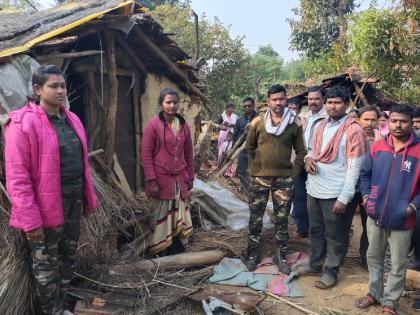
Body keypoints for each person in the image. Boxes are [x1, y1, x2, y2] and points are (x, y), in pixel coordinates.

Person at [4, 64, 97, 315]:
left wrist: (86, 198)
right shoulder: (22, 123)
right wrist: (30, 221)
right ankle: (51, 311)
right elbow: (17, 178)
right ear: (37, 89)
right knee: (45, 265)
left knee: (67, 257)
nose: (60, 91)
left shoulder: (72, 119)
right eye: (53, 86)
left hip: (73, 201)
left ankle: (62, 305)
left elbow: (82, 164)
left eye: (63, 86)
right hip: (43, 209)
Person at [298, 86, 366, 289]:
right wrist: (307, 159)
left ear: (346, 105)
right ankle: (315, 263)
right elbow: (311, 150)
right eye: (329, 102)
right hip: (314, 188)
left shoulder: (354, 130)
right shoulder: (320, 126)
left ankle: (331, 270)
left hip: (336, 192)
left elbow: (355, 167)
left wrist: (344, 198)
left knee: (336, 234)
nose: (332, 106)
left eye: (337, 103)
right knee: (316, 230)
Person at [356, 104, 419, 315]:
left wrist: (412, 207)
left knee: (398, 264)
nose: (398, 125)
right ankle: (374, 293)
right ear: (388, 122)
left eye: (403, 121)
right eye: (394, 121)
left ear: (411, 123)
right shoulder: (377, 146)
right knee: (373, 257)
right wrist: (366, 197)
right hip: (375, 215)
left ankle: (390, 301)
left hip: (403, 219)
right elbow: (365, 174)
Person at [245, 84, 306, 273]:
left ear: (286, 99)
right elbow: (249, 148)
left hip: (284, 179)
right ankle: (252, 254)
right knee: (255, 218)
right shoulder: (257, 123)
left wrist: (293, 174)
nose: (278, 103)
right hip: (259, 179)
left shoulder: (294, 123)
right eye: (274, 99)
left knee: (282, 219)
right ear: (268, 101)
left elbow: (301, 151)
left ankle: (281, 255)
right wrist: (257, 169)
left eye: (281, 99)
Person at [141, 88, 194, 255]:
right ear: (161, 104)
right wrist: (151, 180)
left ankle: (176, 248)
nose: (172, 105)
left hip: (180, 178)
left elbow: (189, 154)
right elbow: (146, 155)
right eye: (168, 102)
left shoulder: (184, 126)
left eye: (175, 102)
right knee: (161, 215)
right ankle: (160, 250)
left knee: (178, 212)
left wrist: (190, 176)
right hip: (161, 179)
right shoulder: (153, 126)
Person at [292, 86, 328, 238]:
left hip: (318, 163)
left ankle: (319, 229)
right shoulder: (304, 116)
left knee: (317, 197)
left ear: (323, 100)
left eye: (316, 99)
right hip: (301, 160)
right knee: (299, 195)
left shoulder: (328, 117)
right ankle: (302, 227)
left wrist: (312, 157)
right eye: (310, 99)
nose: (313, 102)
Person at [353, 106, 382, 270]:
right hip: (348, 188)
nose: (369, 123)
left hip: (371, 191)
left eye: (373, 119)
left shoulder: (383, 141)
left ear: (378, 121)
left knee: (368, 226)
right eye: (366, 119)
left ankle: (365, 258)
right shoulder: (351, 137)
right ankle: (337, 258)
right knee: (341, 224)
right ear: (359, 120)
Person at [232, 97, 258, 194]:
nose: (247, 108)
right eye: (245, 106)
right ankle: (244, 192)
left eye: (249, 106)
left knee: (253, 173)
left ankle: (253, 194)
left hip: (255, 151)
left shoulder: (259, 119)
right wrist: (233, 151)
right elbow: (235, 136)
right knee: (242, 172)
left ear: (253, 106)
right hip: (242, 152)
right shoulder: (240, 121)